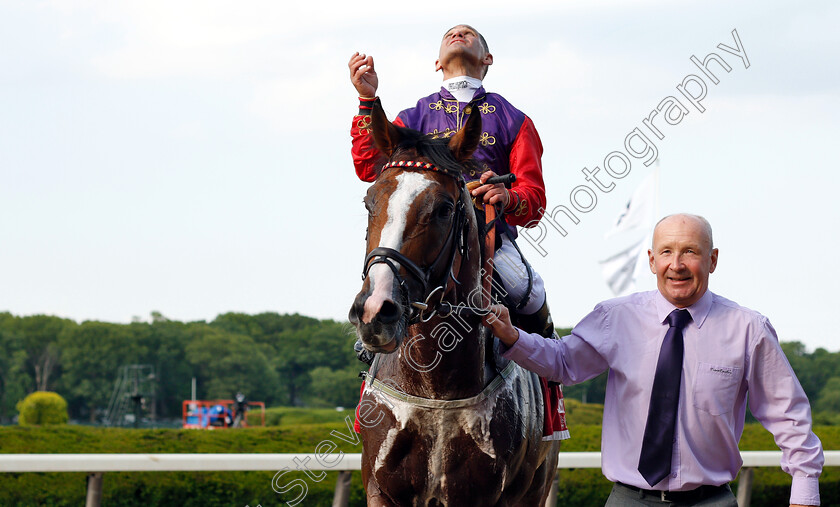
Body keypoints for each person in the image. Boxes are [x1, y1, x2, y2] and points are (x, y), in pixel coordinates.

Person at [484, 213, 824, 506]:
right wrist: (512, 336)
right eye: (666, 252)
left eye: (690, 251)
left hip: (711, 501)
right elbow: (563, 363)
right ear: (651, 260)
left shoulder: (750, 329)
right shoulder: (615, 318)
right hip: (628, 501)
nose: (676, 265)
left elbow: (790, 417)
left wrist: (805, 493)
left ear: (713, 260)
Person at [349, 24, 556, 357]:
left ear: (487, 57)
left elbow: (534, 201)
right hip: (419, 244)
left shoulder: (515, 120)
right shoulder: (412, 116)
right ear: (437, 62)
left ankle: (550, 394)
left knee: (530, 294)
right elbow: (368, 167)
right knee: (377, 299)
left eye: (469, 34)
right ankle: (372, 381)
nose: (458, 34)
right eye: (450, 34)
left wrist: (508, 197)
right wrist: (366, 99)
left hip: (490, 243)